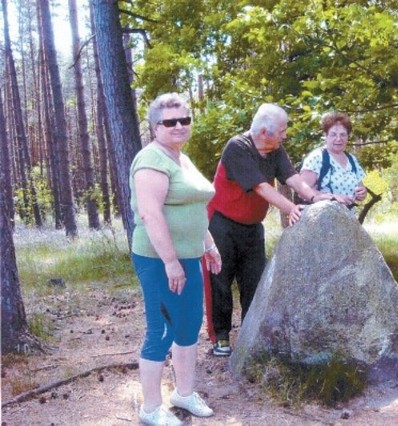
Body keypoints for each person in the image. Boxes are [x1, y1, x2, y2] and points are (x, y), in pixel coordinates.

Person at [206, 103, 352, 356]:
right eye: (282, 130)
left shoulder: (275, 149)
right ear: (265, 132)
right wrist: (290, 208)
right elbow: (261, 187)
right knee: (220, 280)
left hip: (252, 226)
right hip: (221, 223)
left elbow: (293, 178)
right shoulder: (237, 148)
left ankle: (251, 335)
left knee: (254, 280)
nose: (285, 135)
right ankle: (221, 337)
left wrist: (315, 196)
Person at [130, 93, 221, 425]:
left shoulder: (181, 157)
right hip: (158, 261)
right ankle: (151, 409)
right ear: (155, 127)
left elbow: (194, 207)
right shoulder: (151, 160)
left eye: (185, 120)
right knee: (161, 331)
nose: (180, 126)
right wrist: (170, 262)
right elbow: (152, 215)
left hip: (189, 256)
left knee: (188, 326)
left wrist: (208, 244)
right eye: (170, 122)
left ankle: (183, 393)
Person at [300, 112, 367, 206]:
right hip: (321, 217)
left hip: (346, 218)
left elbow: (360, 187)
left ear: (348, 136)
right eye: (333, 134)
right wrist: (332, 197)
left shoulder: (352, 160)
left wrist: (362, 193)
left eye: (343, 135)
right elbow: (302, 190)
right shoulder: (317, 158)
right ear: (326, 135)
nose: (338, 139)